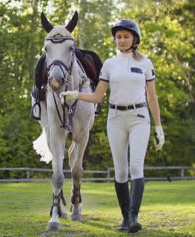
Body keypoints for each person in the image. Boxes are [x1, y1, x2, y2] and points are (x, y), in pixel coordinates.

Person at [61, 19, 165, 233]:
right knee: (120, 171)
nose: (122, 40)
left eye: (126, 36)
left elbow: (152, 97)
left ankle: (134, 217)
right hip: (116, 118)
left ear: (134, 39)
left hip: (139, 117)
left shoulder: (146, 63)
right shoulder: (109, 64)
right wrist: (76, 94)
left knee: (136, 167)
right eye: (119, 37)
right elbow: (98, 96)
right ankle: (125, 218)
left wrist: (158, 127)